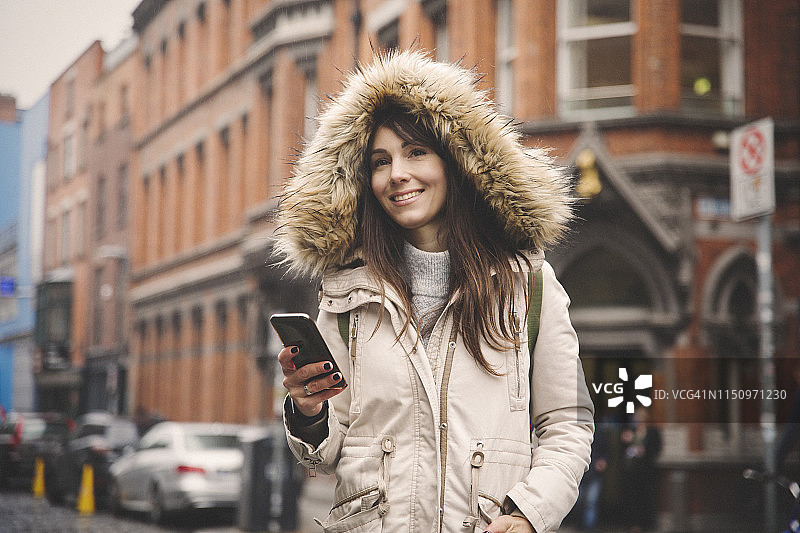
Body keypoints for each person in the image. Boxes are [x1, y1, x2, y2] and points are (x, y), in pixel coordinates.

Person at [274, 49, 594, 533]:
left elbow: (568, 425)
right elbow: (323, 458)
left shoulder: (529, 283)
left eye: (416, 152)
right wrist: (308, 409)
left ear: (456, 163)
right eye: (381, 161)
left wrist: (529, 513)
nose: (397, 173)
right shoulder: (345, 296)